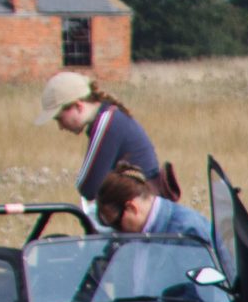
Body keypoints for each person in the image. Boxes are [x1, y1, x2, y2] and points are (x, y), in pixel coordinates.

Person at [38, 71, 166, 212]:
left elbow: (87, 187)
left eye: (59, 118)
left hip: (143, 211)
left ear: (78, 106)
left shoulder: (106, 122)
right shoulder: (110, 116)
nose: (60, 127)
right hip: (143, 206)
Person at [95, 163, 217, 255]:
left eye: (116, 223)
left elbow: (205, 283)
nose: (117, 231)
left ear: (131, 208)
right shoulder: (139, 237)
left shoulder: (188, 232)